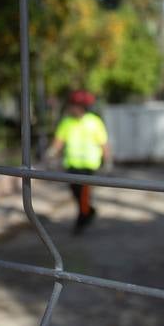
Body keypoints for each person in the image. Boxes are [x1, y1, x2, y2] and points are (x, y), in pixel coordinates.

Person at [46, 90, 109, 233]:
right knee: (75, 192)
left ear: (81, 107)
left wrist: (107, 160)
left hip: (89, 166)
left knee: (84, 194)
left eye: (74, 105)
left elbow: (103, 142)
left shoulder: (94, 121)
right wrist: (51, 153)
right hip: (72, 165)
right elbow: (59, 141)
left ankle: (81, 221)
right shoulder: (67, 122)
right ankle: (89, 212)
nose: (71, 108)